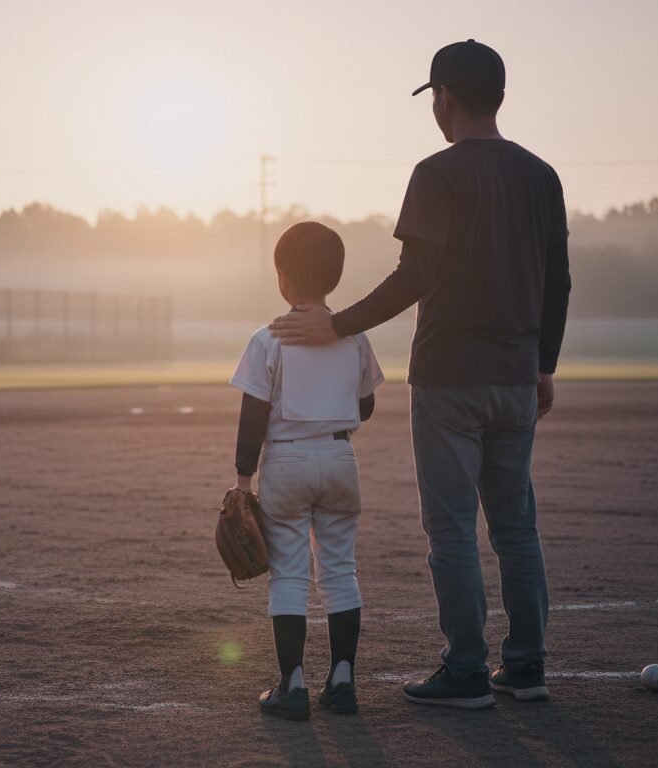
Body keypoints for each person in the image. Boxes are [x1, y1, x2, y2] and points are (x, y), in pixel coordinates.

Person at [269, 39, 571, 709]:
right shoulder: (541, 175)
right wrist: (542, 365)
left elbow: (417, 274)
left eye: (435, 96)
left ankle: (465, 671)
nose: (434, 107)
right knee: (516, 525)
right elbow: (558, 283)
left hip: (450, 376)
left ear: (447, 98)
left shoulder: (437, 173)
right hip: (516, 375)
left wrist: (338, 323)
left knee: (453, 528)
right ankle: (526, 667)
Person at [229, 221, 386, 720]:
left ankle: (291, 686)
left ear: (283, 280)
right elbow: (365, 408)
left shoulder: (268, 337)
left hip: (287, 460)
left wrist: (241, 481)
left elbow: (253, 415)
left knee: (290, 576)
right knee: (340, 571)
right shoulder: (353, 335)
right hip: (340, 459)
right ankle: (342, 682)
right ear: (335, 278)